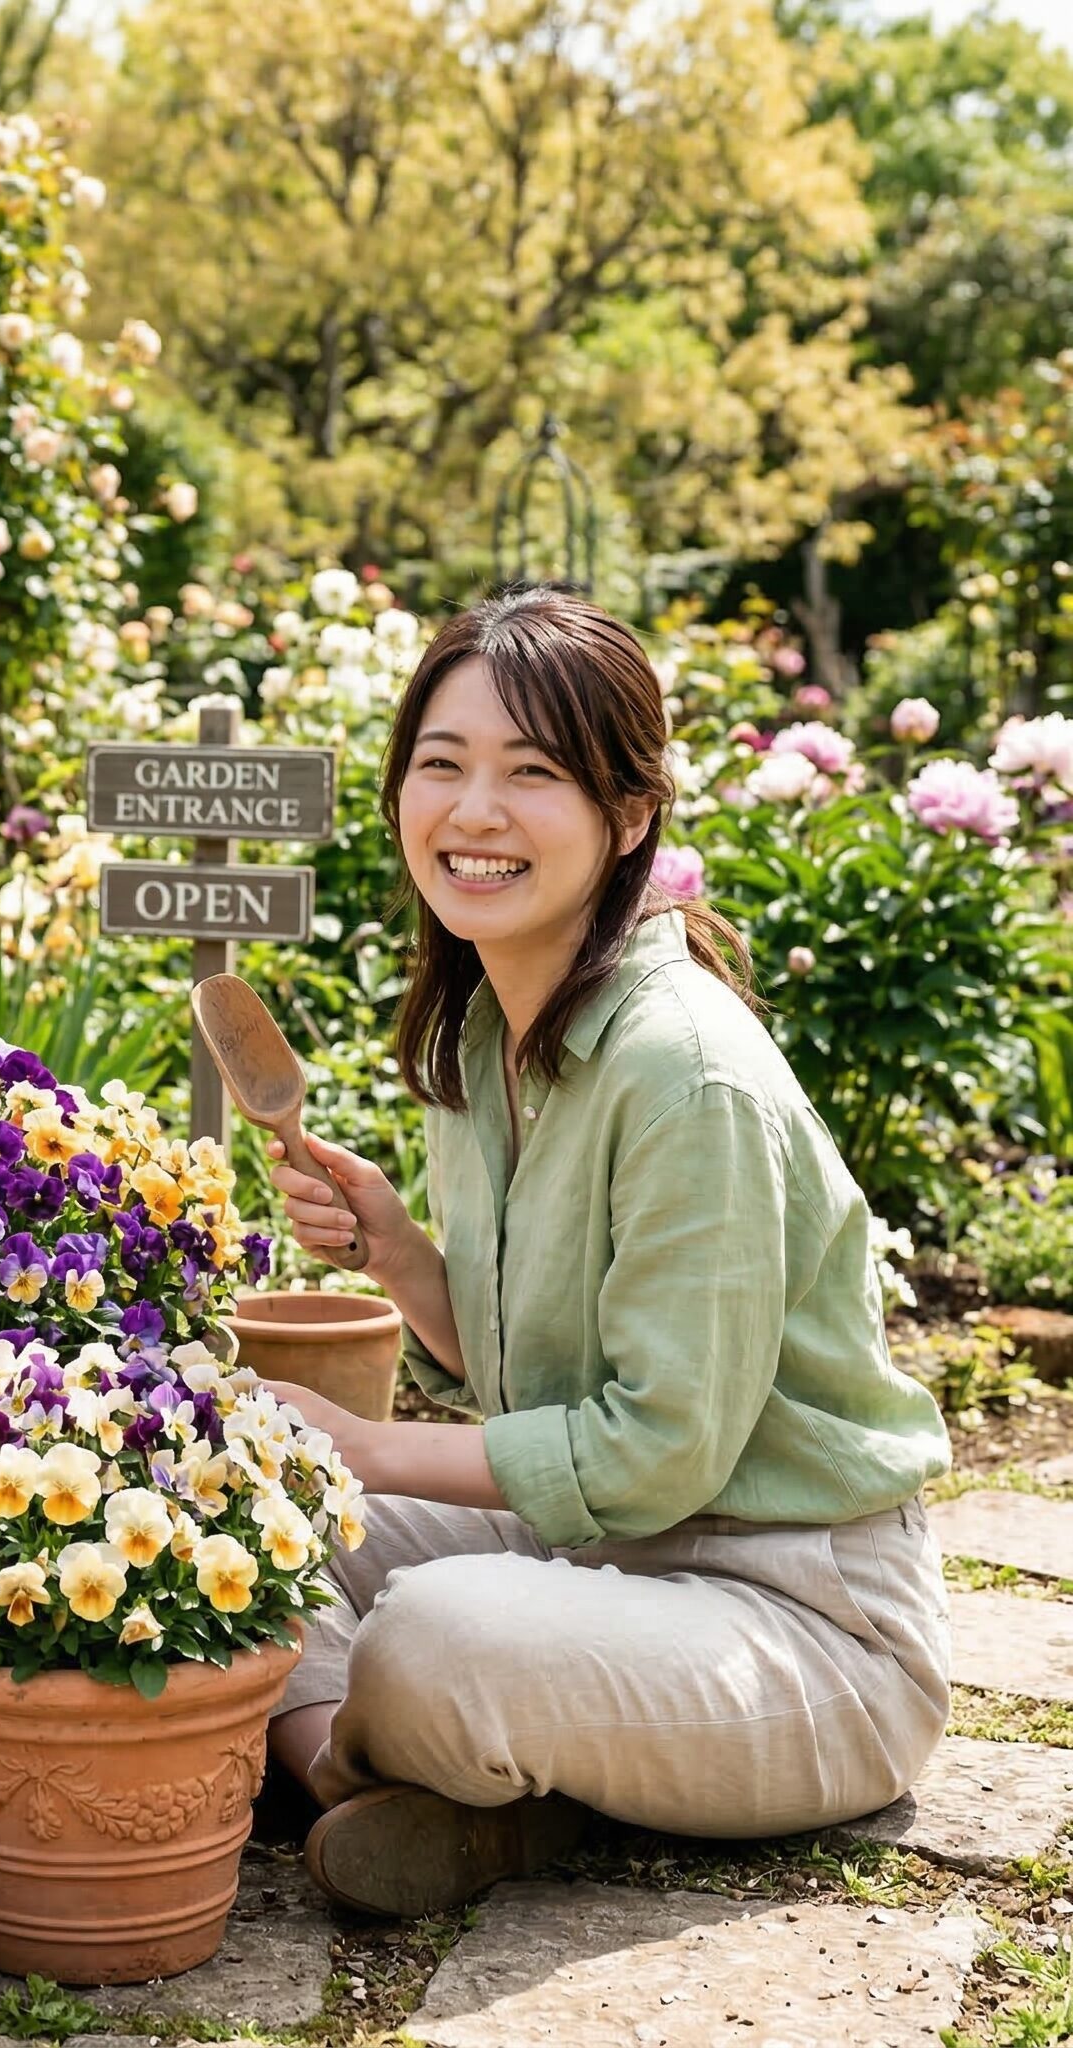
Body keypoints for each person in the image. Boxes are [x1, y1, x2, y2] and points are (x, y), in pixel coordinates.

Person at [260, 584, 952, 1920]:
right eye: (443, 766)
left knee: (434, 1638)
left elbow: (652, 1453)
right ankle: (387, 1793)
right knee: (235, 1516)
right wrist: (406, 1256)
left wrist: (363, 1443)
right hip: (603, 1573)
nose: (472, 813)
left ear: (630, 815)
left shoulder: (687, 1071)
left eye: (532, 774)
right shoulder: (486, 1035)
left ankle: (386, 1761)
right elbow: (546, 1374)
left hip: (802, 1623)